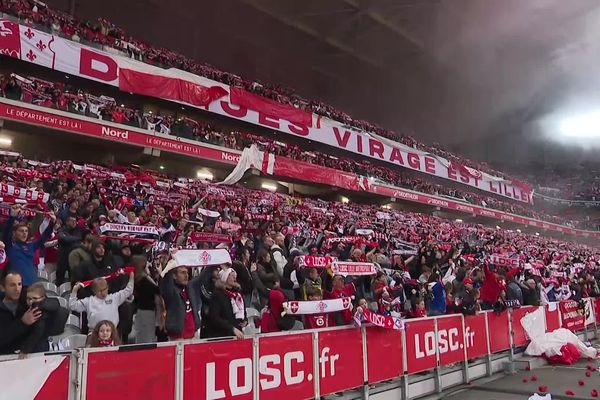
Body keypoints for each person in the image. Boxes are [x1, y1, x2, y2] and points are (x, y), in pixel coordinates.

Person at [2, 205, 56, 286]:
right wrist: (12, 217)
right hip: (17, 286)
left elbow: (44, 237)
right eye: (21, 231)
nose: (24, 233)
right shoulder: (10, 246)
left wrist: (52, 222)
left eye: (26, 231)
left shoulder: (31, 246)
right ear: (14, 233)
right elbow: (6, 233)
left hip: (32, 286)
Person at [69, 272, 134, 332]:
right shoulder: (88, 301)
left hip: (112, 332)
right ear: (94, 291)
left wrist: (131, 276)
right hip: (94, 333)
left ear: (108, 287)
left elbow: (128, 290)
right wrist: (75, 290)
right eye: (100, 291)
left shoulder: (114, 298)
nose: (103, 293)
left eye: (104, 289)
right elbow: (72, 305)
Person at [0, 271, 44, 355]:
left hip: (31, 355)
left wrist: (41, 301)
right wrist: (22, 323)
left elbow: (54, 304)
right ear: (2, 288)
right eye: (12, 285)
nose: (17, 289)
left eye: (19, 284)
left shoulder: (28, 300)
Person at [160, 264, 201, 340]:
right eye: (182, 273)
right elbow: (166, 282)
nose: (186, 275)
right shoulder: (171, 291)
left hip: (193, 335)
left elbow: (202, 277)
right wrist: (171, 263)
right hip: (178, 337)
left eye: (187, 273)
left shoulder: (189, 288)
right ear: (174, 276)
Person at [206, 267, 246, 339]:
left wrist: (245, 320)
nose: (235, 278)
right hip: (222, 335)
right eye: (232, 275)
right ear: (225, 277)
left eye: (235, 275)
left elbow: (243, 310)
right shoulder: (217, 295)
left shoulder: (237, 294)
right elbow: (215, 318)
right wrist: (231, 328)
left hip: (237, 333)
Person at [132, 255, 164, 344]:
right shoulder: (144, 281)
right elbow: (158, 294)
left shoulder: (135, 279)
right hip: (148, 313)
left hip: (140, 312)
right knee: (146, 341)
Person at [56, 215, 84, 285]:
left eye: (75, 221)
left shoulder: (78, 230)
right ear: (67, 222)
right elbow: (64, 239)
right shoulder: (62, 230)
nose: (75, 222)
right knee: (59, 279)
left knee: (74, 280)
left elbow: (77, 243)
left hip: (73, 259)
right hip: (63, 258)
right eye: (73, 221)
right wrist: (78, 239)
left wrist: (72, 239)